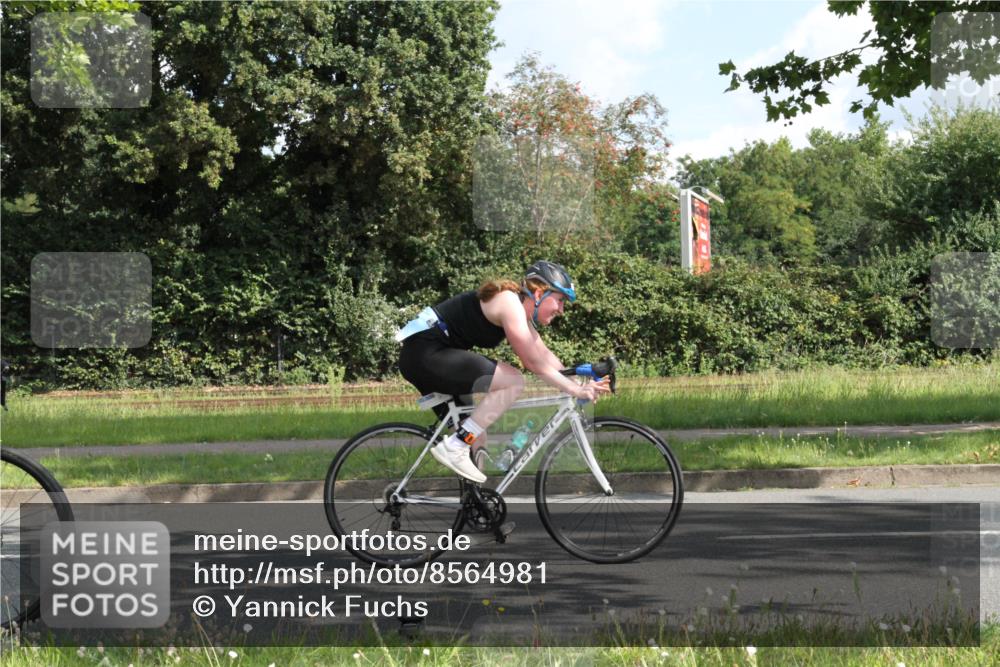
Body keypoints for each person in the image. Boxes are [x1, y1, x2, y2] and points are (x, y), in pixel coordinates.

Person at [397, 261, 611, 483]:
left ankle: (474, 509)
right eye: (559, 300)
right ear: (539, 293)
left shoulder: (520, 313)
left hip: (430, 356)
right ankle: (456, 445)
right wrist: (576, 390)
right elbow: (532, 363)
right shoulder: (509, 303)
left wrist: (578, 381)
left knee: (477, 435)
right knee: (512, 381)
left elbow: (543, 355)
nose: (561, 310)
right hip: (425, 354)